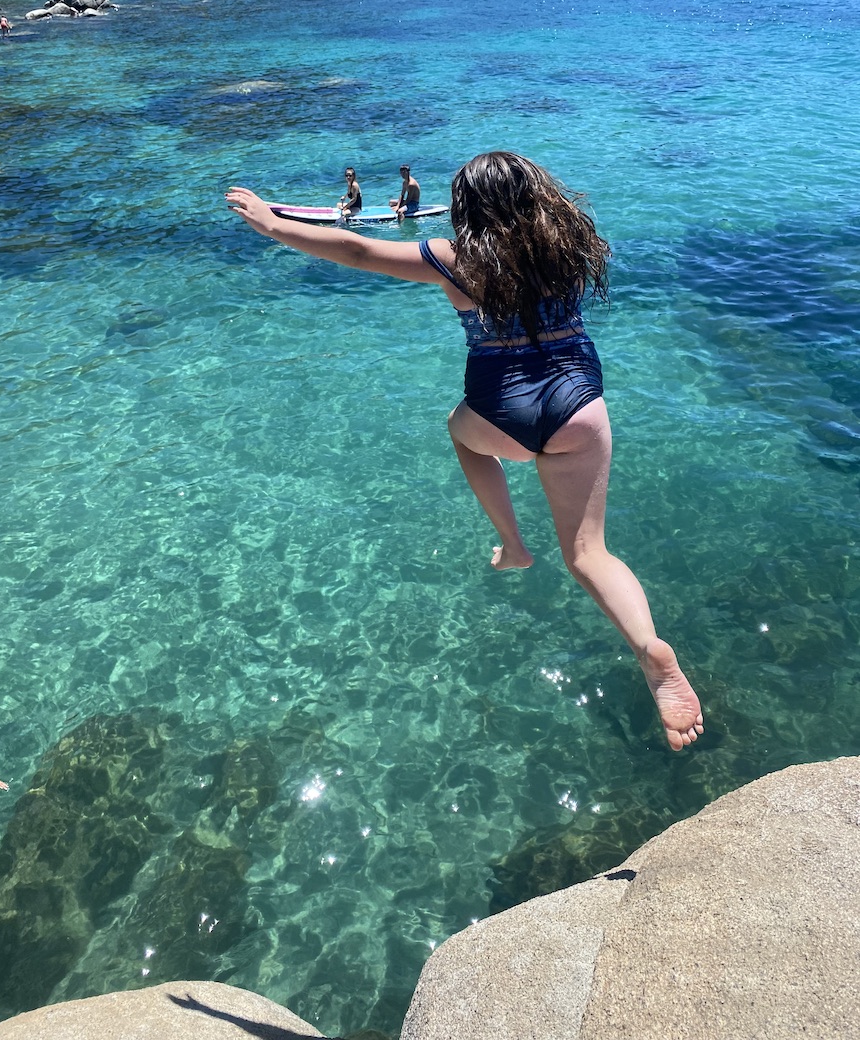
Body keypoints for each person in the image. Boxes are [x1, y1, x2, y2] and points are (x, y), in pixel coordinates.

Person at [225, 152, 703, 751]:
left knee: (460, 430)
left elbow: (358, 251)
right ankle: (649, 649)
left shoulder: (457, 258)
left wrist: (274, 224)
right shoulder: (570, 248)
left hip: (501, 411)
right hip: (578, 406)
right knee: (589, 553)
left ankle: (513, 544)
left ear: (467, 208)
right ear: (539, 196)